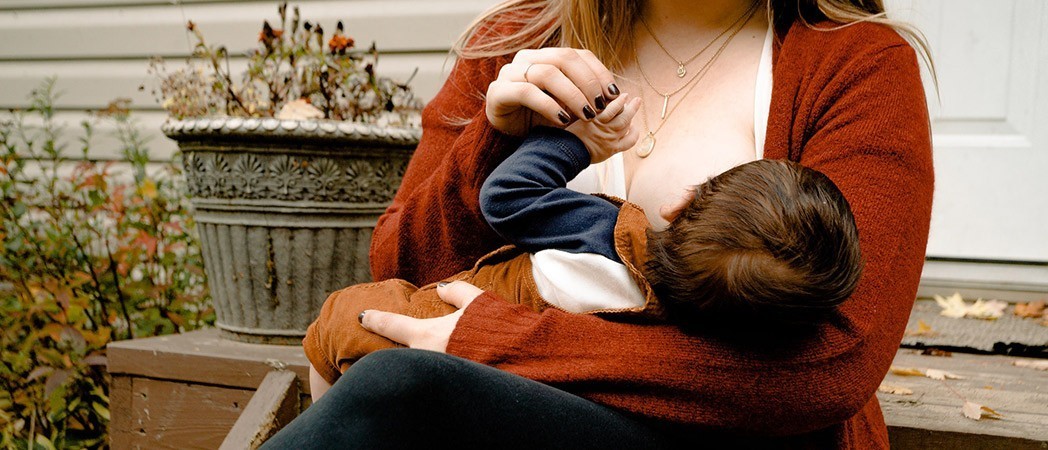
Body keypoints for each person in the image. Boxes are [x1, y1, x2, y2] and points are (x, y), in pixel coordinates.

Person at [264, 0, 933, 447]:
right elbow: (402, 272)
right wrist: (492, 141)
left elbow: (832, 363)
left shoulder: (857, 63)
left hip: (726, 436)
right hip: (500, 417)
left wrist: (498, 341)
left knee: (399, 386)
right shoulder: (516, 40)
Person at [303, 106, 864, 393]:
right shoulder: (695, 329)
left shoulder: (608, 234)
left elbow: (507, 197)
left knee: (335, 323)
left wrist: (575, 143)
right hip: (504, 385)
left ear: (680, 204)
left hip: (434, 320)